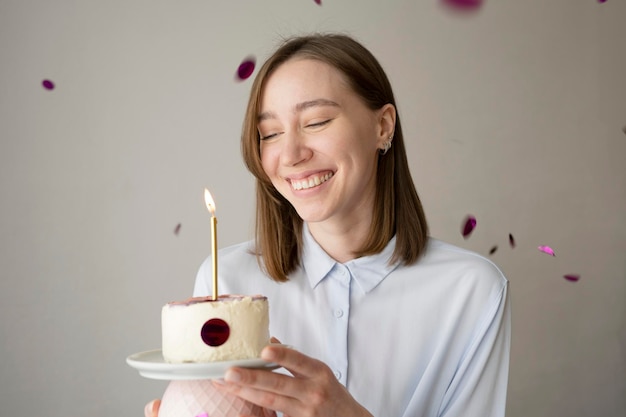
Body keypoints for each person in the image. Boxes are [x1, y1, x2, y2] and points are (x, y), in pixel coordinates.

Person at [146, 33, 510, 417]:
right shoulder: (226, 283)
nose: (290, 154)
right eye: (270, 133)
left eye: (316, 122)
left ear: (383, 126)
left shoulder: (472, 290)